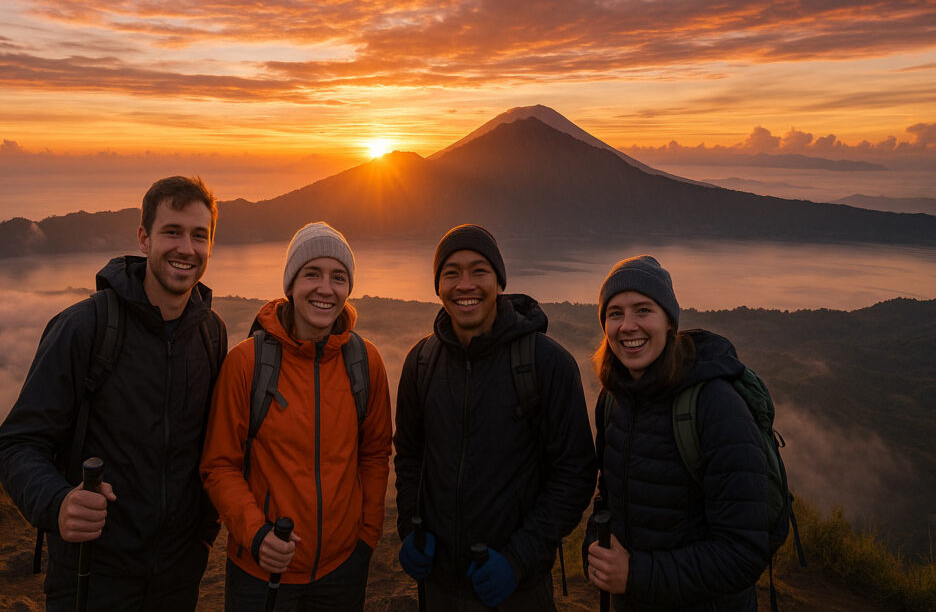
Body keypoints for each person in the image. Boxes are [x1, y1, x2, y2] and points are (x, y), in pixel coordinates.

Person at [0, 175, 226, 611]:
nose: (186, 248)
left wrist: (202, 536)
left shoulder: (211, 335)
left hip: (178, 575)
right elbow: (18, 443)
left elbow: (211, 448)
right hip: (91, 573)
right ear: (143, 238)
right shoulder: (85, 328)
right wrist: (58, 502)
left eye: (200, 235)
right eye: (171, 231)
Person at [394, 224, 596, 611]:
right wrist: (410, 529)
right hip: (438, 586)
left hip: (518, 589)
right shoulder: (421, 363)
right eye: (451, 273)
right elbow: (409, 456)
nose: (465, 284)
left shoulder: (546, 363)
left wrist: (519, 558)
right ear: (438, 286)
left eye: (479, 271)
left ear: (499, 282)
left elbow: (575, 473)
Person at [200, 221, 392, 611]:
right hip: (261, 570)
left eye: (338, 277)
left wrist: (366, 536)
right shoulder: (248, 363)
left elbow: (374, 454)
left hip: (342, 568)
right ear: (290, 284)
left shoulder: (365, 362)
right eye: (312, 274)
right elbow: (219, 466)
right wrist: (256, 536)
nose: (325, 288)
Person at [583, 255, 770, 611]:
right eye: (615, 313)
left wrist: (635, 574)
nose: (627, 326)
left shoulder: (715, 407)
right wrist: (596, 546)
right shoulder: (613, 400)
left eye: (643, 310)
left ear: (669, 321)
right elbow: (610, 499)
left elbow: (743, 553)